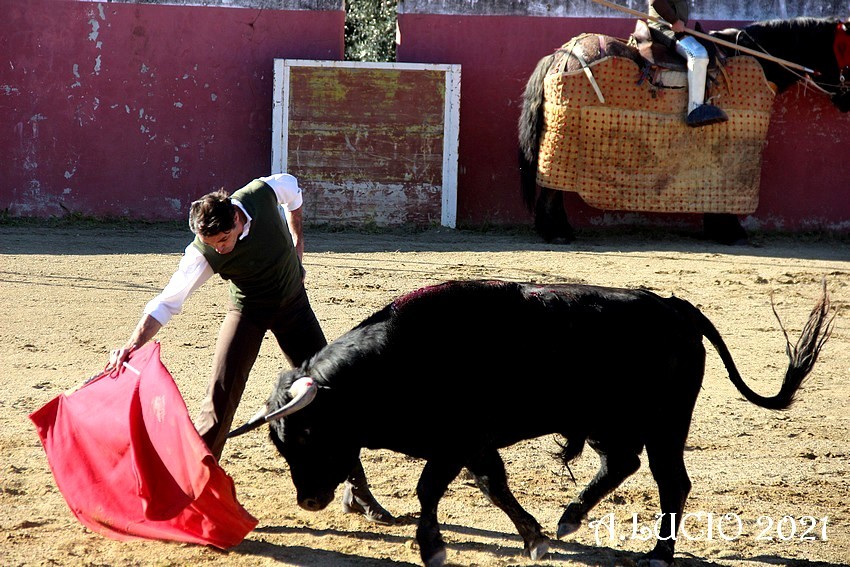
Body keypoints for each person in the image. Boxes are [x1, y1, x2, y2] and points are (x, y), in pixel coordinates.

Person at [107, 173, 394, 524]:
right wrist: (132, 344)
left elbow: (294, 196)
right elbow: (168, 302)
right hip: (248, 312)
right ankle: (191, 494)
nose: (218, 249)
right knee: (219, 399)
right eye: (211, 243)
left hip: (294, 308)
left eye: (223, 240)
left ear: (236, 218)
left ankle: (358, 491)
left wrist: (298, 244)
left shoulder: (263, 192)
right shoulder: (203, 253)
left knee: (331, 397)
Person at [648, 0, 728, 126]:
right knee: (698, 54)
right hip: (662, 27)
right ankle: (695, 109)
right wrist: (674, 20)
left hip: (674, 28)